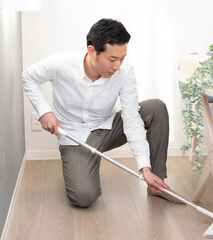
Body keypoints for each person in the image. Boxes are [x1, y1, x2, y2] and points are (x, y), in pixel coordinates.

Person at [22, 18, 182, 207]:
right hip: (73, 136)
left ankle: (156, 183)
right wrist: (44, 112)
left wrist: (144, 168)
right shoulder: (60, 63)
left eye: (122, 58)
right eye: (112, 59)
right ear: (92, 51)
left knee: (156, 108)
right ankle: (85, 163)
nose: (117, 66)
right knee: (84, 197)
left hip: (107, 128)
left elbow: (131, 118)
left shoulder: (125, 72)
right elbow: (29, 76)